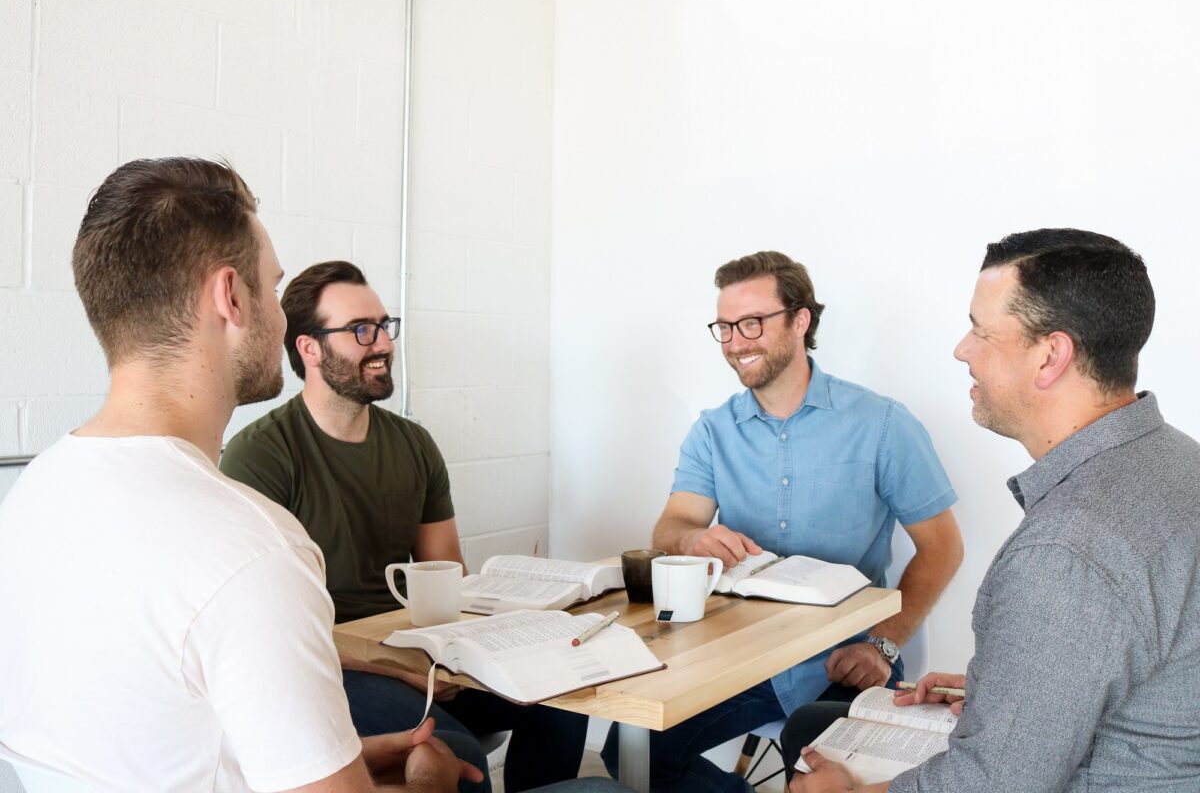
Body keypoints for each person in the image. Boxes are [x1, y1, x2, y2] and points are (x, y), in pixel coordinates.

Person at [0, 158, 483, 792]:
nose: (282, 320)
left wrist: (351, 761)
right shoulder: (252, 548)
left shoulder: (33, 495)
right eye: (273, 288)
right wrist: (429, 784)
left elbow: (167, 745)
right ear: (231, 296)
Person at [786, 228, 1200, 792]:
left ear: (1051, 355)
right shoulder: (1176, 460)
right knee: (813, 722)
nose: (962, 349)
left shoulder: (1066, 552)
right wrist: (1009, 687)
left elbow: (996, 783)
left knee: (812, 755)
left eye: (981, 331)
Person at [220, 261, 589, 793]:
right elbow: (265, 630)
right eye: (361, 330)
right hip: (331, 664)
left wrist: (469, 647)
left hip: (417, 652)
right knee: (452, 754)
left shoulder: (414, 445)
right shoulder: (261, 456)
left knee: (563, 694)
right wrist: (400, 668)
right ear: (309, 349)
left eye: (384, 326)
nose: (383, 344)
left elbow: (450, 578)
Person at [601, 251, 963, 792]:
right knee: (632, 749)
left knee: (822, 768)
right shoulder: (713, 430)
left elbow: (942, 547)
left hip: (846, 661)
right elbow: (671, 526)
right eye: (724, 327)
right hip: (742, 661)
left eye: (752, 323)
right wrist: (694, 537)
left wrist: (883, 645)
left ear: (801, 321)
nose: (736, 342)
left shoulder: (882, 423)